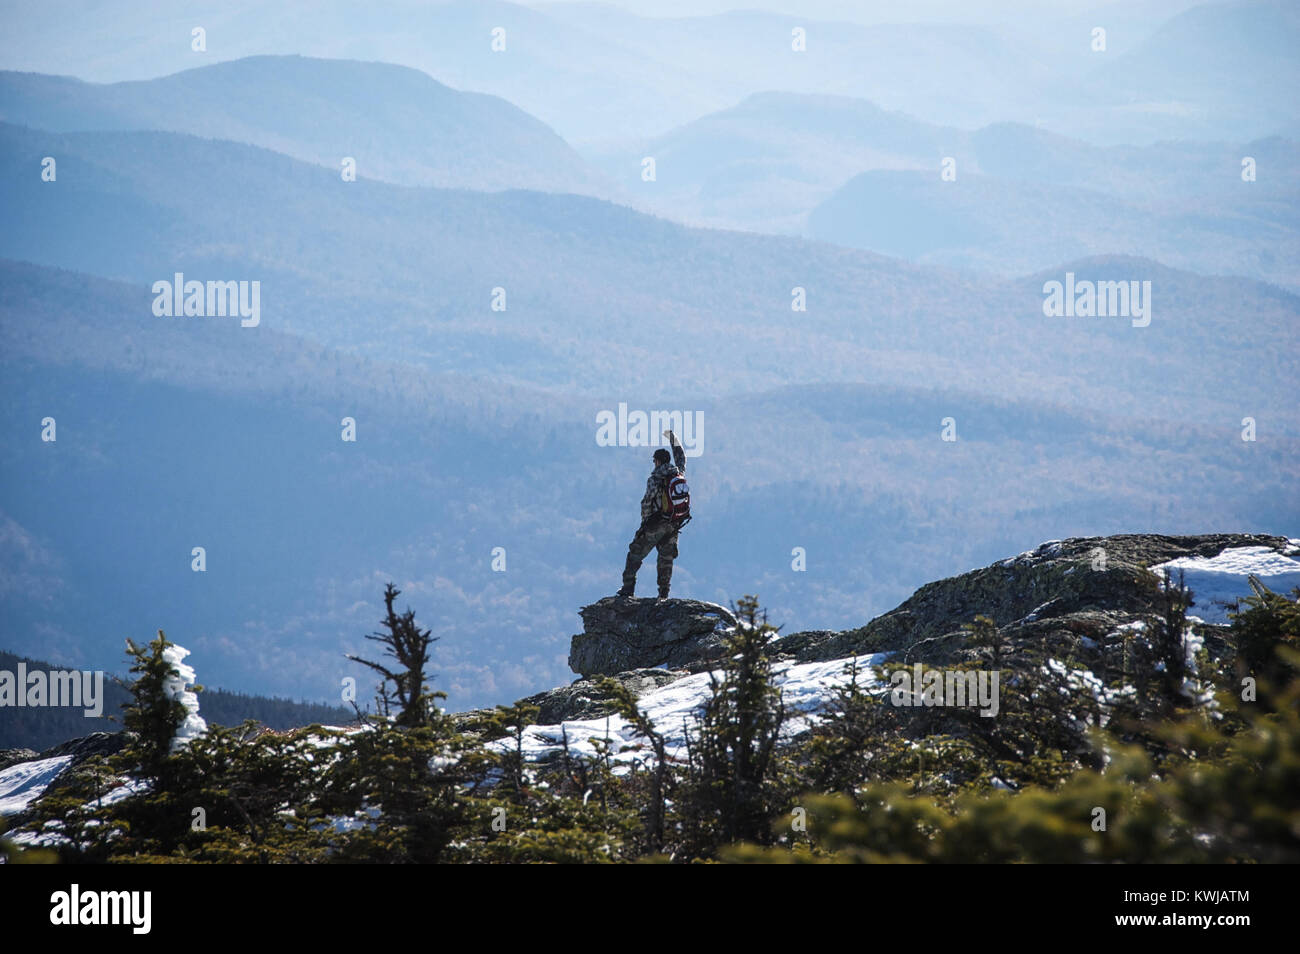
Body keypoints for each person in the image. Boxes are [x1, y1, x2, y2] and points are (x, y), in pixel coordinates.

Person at [618, 429, 687, 599]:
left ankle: (628, 589)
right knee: (666, 559)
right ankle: (664, 593)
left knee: (635, 554)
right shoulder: (677, 473)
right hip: (674, 523)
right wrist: (673, 438)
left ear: (657, 461)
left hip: (656, 524)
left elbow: (647, 502)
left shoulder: (655, 478)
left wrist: (644, 525)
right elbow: (681, 457)